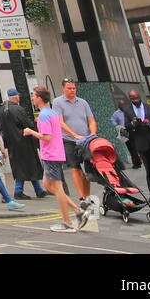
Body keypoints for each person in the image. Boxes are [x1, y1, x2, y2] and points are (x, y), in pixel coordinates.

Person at [25, 87, 87, 233]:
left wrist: (30, 131)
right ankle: (78, 211)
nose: (32, 98)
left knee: (57, 189)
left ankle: (67, 222)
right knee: (48, 185)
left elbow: (47, 137)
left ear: (40, 98)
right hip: (55, 153)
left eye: (34, 96)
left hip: (51, 155)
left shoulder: (44, 116)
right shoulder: (52, 112)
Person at [53, 79, 97, 208]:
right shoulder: (57, 102)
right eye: (69, 88)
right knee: (75, 167)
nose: (72, 90)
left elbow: (91, 121)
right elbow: (60, 122)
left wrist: (92, 133)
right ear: (63, 89)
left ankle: (87, 196)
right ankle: (82, 197)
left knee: (88, 170)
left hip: (85, 140)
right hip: (68, 140)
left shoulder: (83, 102)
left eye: (73, 88)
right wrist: (74, 135)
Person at [0, 88, 47, 200]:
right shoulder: (18, 109)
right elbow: (28, 123)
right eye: (18, 96)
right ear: (15, 97)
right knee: (30, 165)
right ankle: (19, 191)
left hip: (12, 144)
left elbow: (0, 127)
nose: (19, 97)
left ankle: (38, 190)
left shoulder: (2, 110)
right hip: (24, 141)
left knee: (22, 166)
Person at [118, 90, 150, 203]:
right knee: (149, 171)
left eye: (137, 98)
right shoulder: (127, 110)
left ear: (140, 96)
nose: (136, 100)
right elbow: (126, 126)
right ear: (130, 98)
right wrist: (133, 124)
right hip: (142, 144)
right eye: (133, 99)